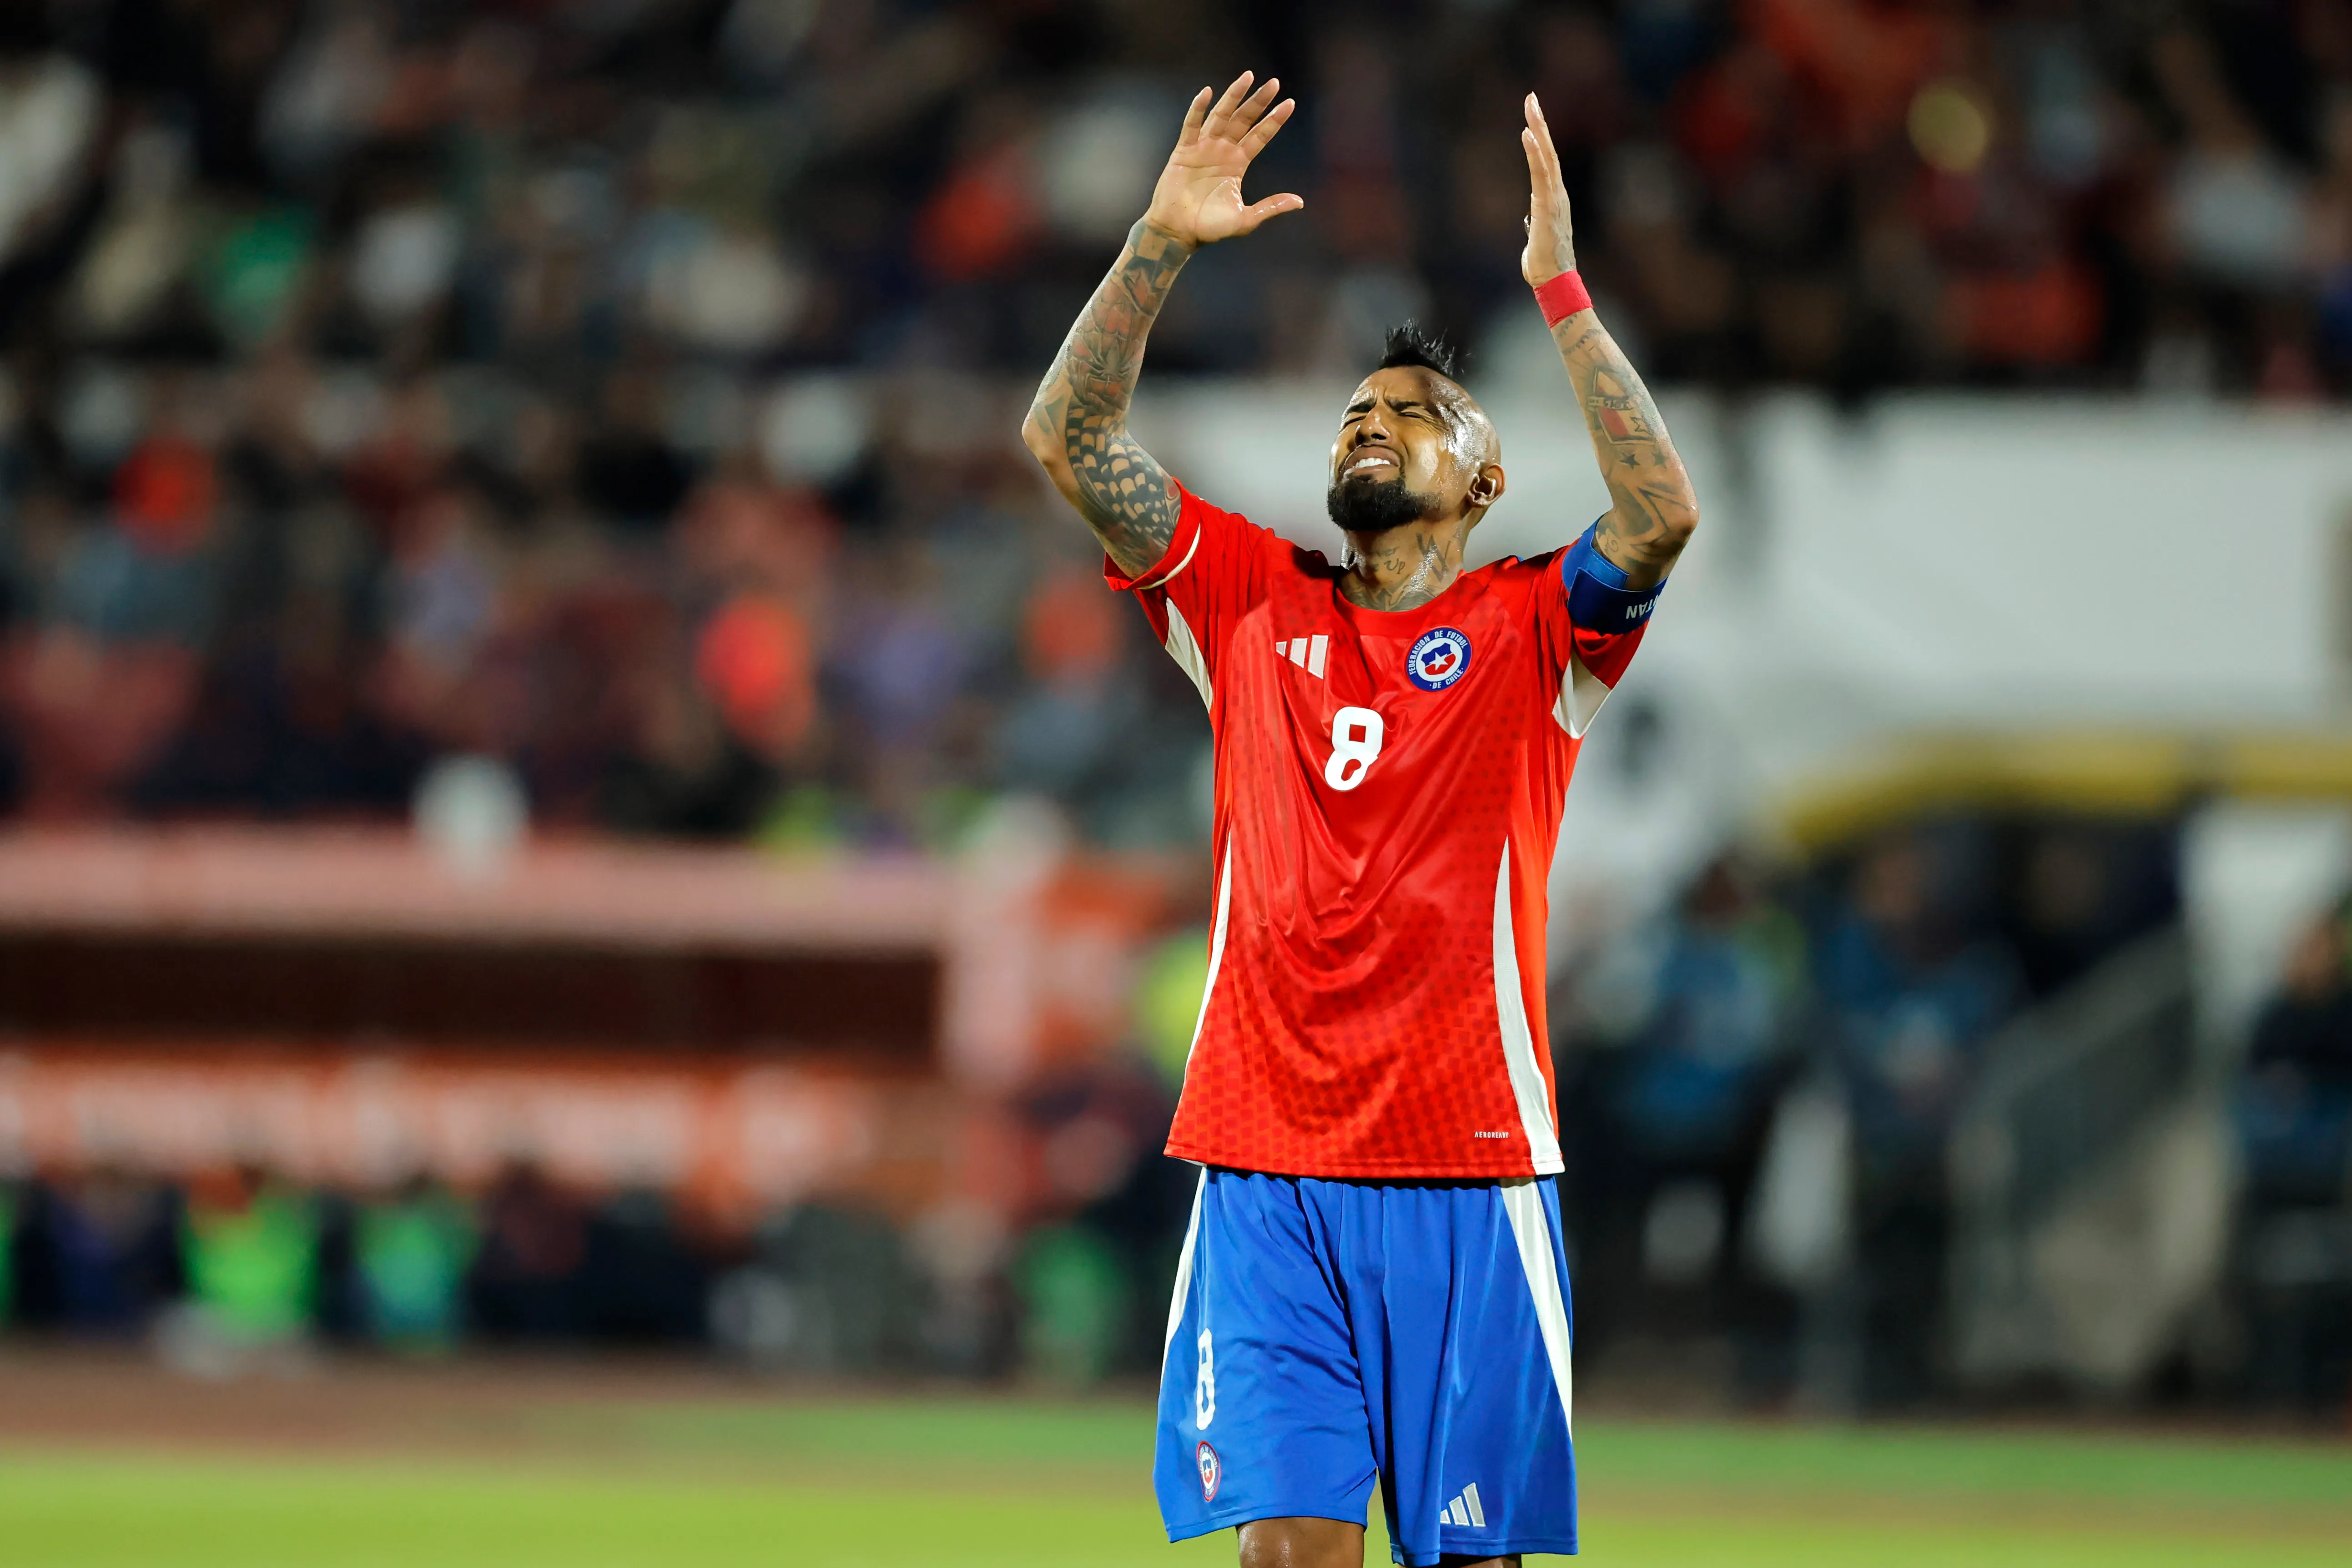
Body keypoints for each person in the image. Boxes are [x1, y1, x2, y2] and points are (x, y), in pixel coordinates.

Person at [1021, 74, 1699, 1568]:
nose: (1373, 422)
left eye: (1415, 413)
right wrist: (1157, 241)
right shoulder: (1246, 599)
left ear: (1486, 481)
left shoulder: (1540, 632)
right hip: (1266, 1164)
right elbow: (1067, 438)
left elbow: (1660, 516)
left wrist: (1561, 291)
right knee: (1288, 1554)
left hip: (1468, 1164)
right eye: (1357, 409)